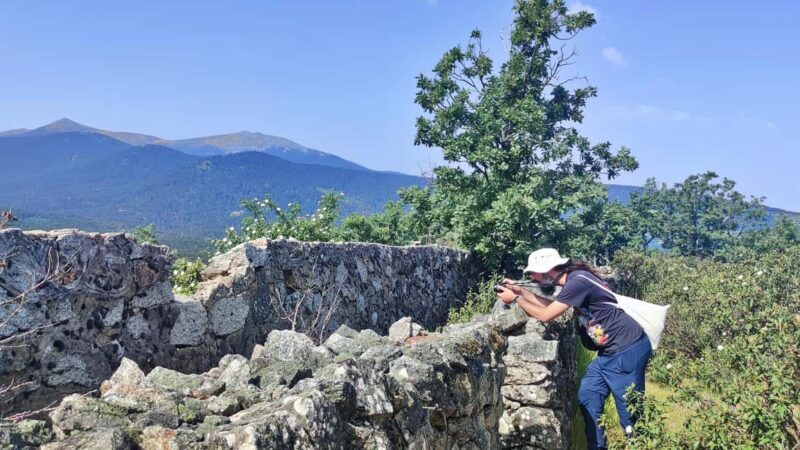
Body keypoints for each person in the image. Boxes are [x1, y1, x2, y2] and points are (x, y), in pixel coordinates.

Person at [496, 248, 652, 450]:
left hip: (626, 349)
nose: (532, 278)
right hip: (609, 353)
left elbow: (545, 315)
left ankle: (641, 444)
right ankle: (596, 446)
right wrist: (521, 291)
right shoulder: (574, 280)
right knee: (588, 395)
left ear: (547, 270)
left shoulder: (578, 282)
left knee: (631, 415)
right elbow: (550, 306)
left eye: (533, 273)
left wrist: (515, 299)